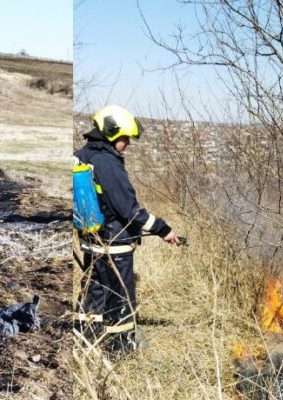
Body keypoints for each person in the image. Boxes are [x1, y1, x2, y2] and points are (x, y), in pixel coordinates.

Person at [73, 105, 181, 356]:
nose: (128, 143)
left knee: (94, 291)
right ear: (112, 134)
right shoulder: (108, 163)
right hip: (114, 244)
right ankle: (120, 348)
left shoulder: (82, 155)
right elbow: (129, 210)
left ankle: (85, 340)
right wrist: (163, 230)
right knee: (120, 296)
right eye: (125, 138)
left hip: (91, 239)